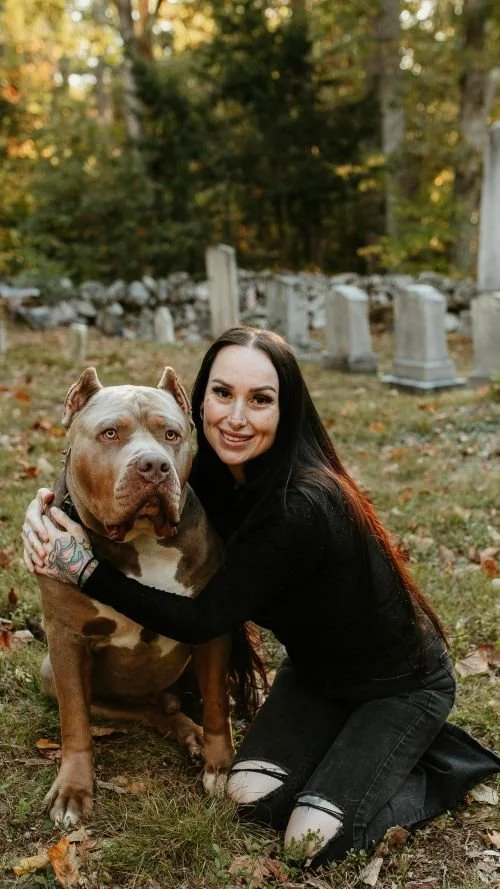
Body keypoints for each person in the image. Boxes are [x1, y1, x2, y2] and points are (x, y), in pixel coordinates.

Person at [23, 326, 499, 865]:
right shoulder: (197, 469)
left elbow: (206, 619)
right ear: (198, 403)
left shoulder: (301, 505)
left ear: (286, 407)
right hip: (316, 675)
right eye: (223, 394)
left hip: (400, 685)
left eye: (261, 400)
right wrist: (42, 512)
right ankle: (345, 752)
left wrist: (84, 572)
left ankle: (441, 765)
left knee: (307, 840)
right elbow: (88, 475)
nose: (237, 416)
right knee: (247, 799)